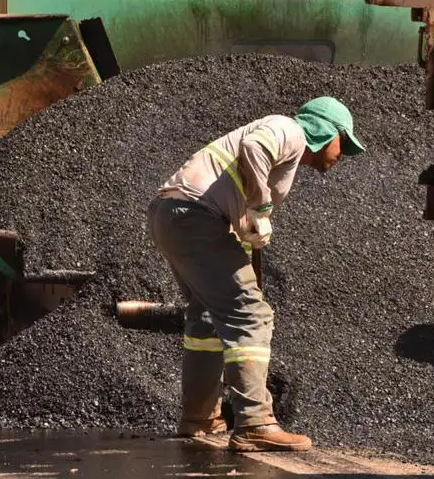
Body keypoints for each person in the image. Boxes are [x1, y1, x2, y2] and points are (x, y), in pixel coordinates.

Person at [149, 96, 365, 452]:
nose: (343, 154)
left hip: (175, 216)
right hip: (192, 217)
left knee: (206, 317)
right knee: (251, 314)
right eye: (344, 142)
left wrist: (249, 228)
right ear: (326, 131)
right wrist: (261, 208)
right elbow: (255, 146)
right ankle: (255, 422)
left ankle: (199, 418)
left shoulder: (289, 154)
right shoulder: (290, 129)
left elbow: (239, 211)